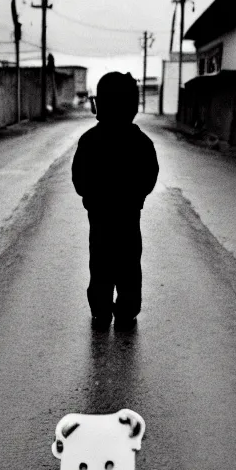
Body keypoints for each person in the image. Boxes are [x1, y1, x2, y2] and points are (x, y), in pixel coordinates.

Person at [72, 71, 159, 331]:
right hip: (129, 217)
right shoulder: (141, 142)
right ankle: (127, 310)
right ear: (132, 105)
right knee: (129, 265)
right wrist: (136, 197)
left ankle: (100, 310)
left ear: (102, 104)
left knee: (100, 264)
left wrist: (91, 198)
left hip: (99, 218)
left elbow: (79, 180)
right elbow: (150, 177)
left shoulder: (90, 140)